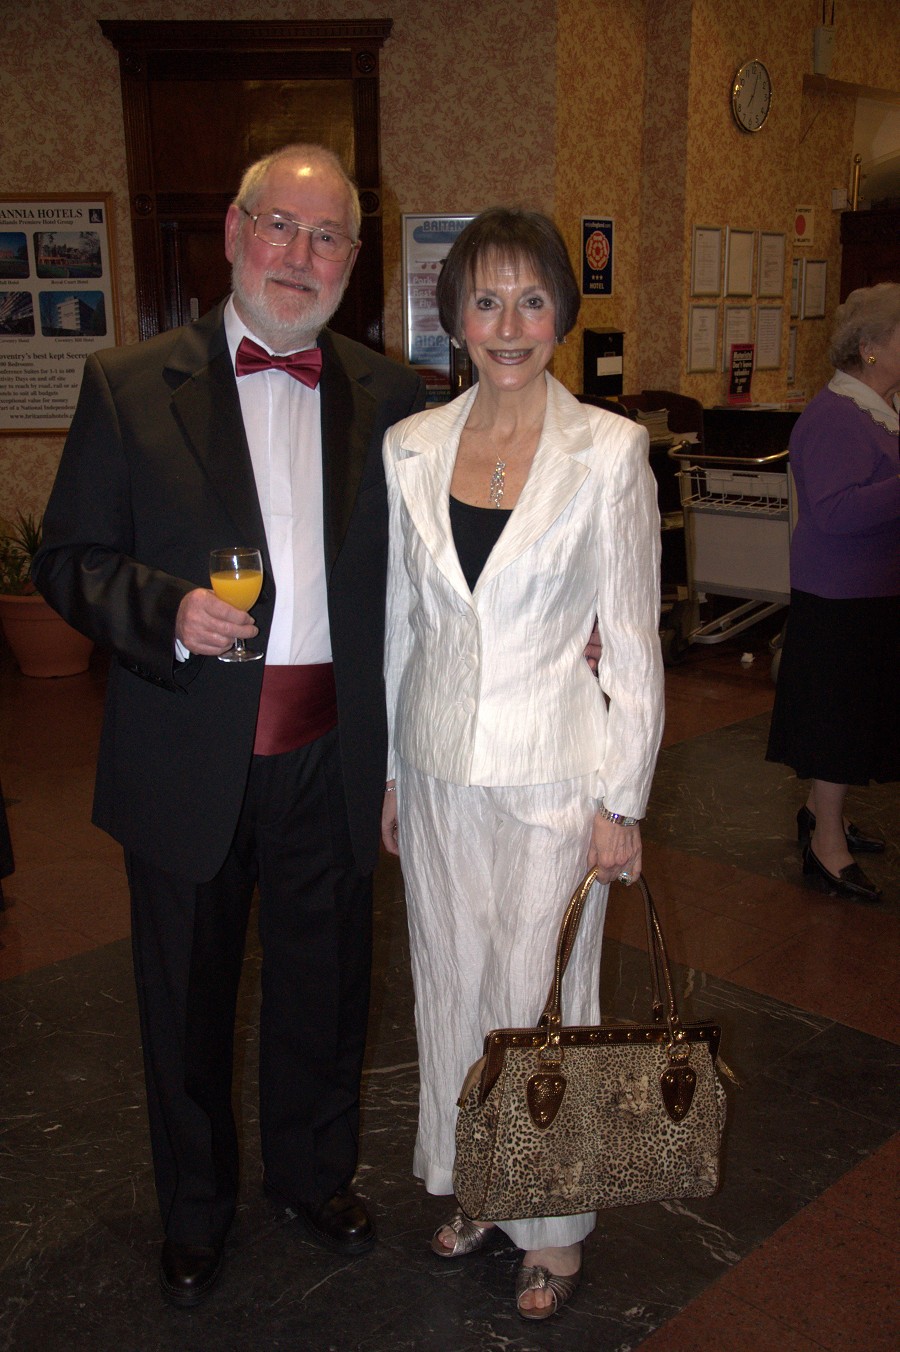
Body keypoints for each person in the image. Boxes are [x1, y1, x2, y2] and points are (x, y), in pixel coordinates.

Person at [32, 144, 425, 1307]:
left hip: (332, 752)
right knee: (185, 1002)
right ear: (234, 231)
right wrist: (164, 610)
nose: (300, 254)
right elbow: (67, 557)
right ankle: (195, 1212)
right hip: (187, 753)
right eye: (280, 226)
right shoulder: (127, 384)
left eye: (327, 235)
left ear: (353, 258)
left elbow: (438, 578)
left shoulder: (395, 398)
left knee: (325, 991)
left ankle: (313, 1177)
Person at [380, 208, 664, 1321]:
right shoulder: (411, 446)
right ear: (455, 316)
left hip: (557, 771)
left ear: (562, 315)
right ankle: (483, 1187)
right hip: (438, 765)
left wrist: (622, 800)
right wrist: (391, 774)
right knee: (450, 977)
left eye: (532, 300)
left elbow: (631, 640)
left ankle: (555, 1227)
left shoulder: (611, 452)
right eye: (487, 300)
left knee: (545, 995)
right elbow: (404, 623)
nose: (509, 325)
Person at [767, 282, 900, 902]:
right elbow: (834, 511)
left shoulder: (879, 408)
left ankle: (824, 814)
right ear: (870, 346)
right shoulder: (833, 416)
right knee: (837, 726)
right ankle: (826, 847)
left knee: (851, 718)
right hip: (838, 596)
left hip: (869, 590)